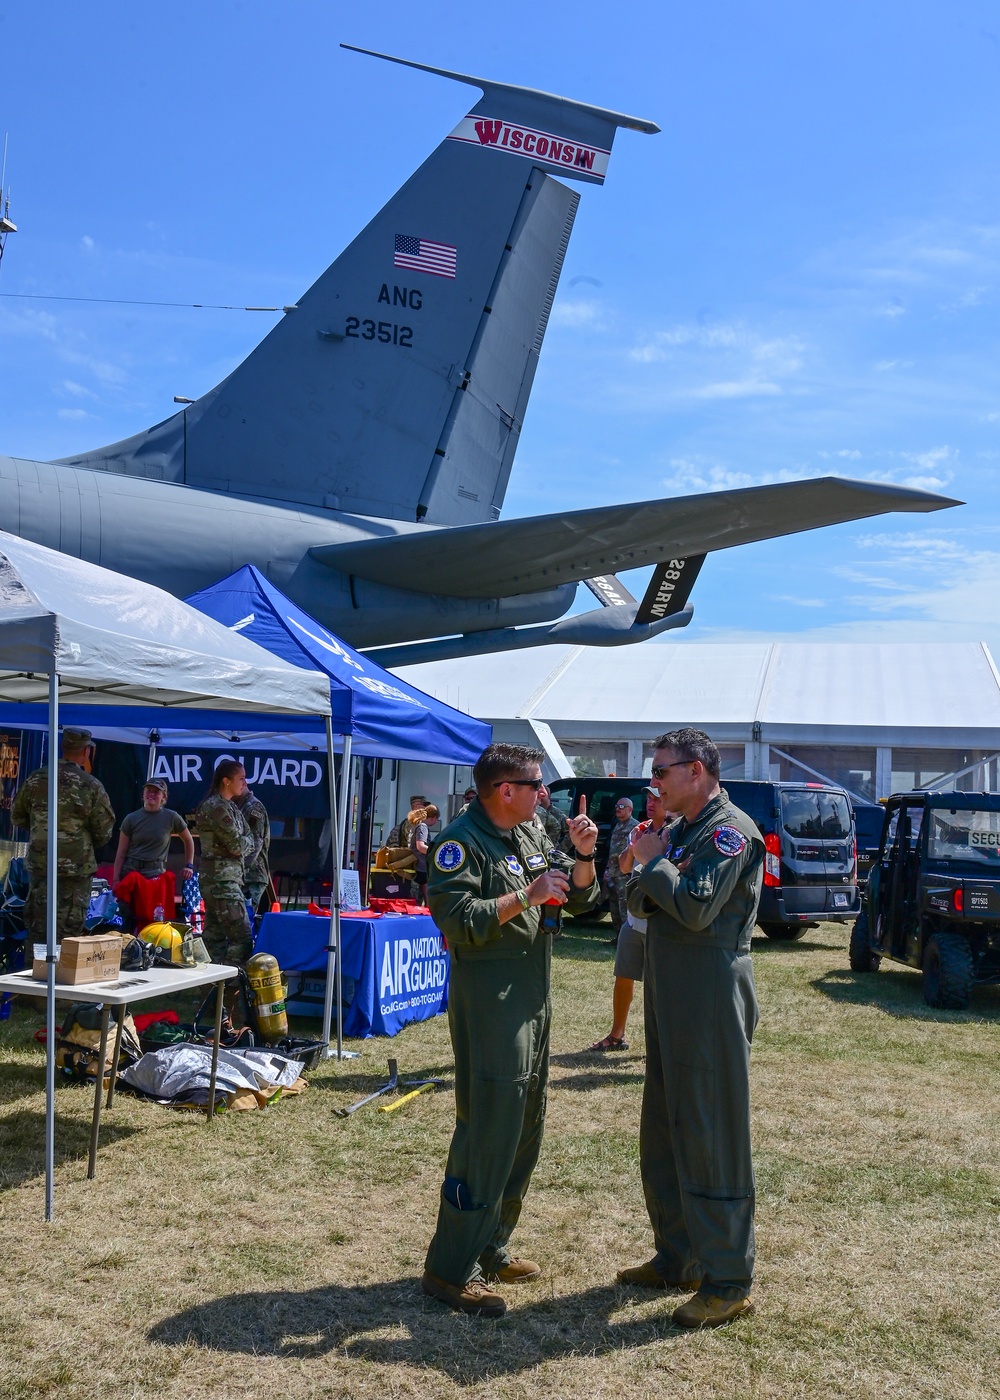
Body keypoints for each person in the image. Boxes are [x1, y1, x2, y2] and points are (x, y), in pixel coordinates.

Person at [422, 742, 600, 1318]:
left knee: (525, 1122)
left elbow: (574, 899)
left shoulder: (526, 833)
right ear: (504, 790)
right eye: (533, 785)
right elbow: (457, 918)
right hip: (491, 996)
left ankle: (491, 1245)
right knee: (489, 1128)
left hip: (532, 993)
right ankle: (451, 1269)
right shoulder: (459, 843)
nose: (542, 794)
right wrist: (527, 894)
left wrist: (581, 859)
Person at [617, 728, 763, 1329]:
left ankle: (727, 1277)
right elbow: (635, 899)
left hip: (708, 995)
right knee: (666, 1127)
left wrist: (654, 867)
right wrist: (652, 869)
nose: (655, 782)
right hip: (671, 991)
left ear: (697, 770)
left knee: (710, 1133)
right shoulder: (680, 831)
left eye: (662, 771)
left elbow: (698, 908)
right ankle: (678, 1255)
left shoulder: (731, 832)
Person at [11, 727, 115, 945]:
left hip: (41, 866)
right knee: (67, 934)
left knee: (38, 929)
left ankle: (34, 973)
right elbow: (104, 832)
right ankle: (60, 976)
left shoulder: (36, 780)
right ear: (86, 751)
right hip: (74, 871)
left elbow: (17, 817)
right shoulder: (90, 785)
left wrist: (43, 832)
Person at [588, 787, 672, 1053]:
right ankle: (617, 1035)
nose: (650, 803)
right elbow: (625, 866)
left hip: (660, 920)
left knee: (661, 986)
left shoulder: (677, 831)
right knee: (623, 975)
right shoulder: (641, 829)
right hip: (635, 919)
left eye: (656, 799)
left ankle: (662, 1045)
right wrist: (636, 846)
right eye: (648, 798)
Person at [194, 760, 255, 967]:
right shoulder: (216, 807)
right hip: (222, 883)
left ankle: (210, 991)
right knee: (242, 936)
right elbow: (238, 845)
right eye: (241, 778)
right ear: (226, 781)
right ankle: (230, 985)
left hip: (225, 880)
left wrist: (245, 841)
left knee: (214, 937)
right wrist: (245, 841)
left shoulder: (230, 807)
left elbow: (249, 837)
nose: (244, 783)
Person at [112, 778, 195, 886]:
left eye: (156, 792)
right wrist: (116, 880)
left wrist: (189, 866)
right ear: (143, 794)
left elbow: (188, 840)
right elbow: (121, 852)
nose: (151, 794)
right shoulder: (131, 819)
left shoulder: (171, 817)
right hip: (131, 872)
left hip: (156, 873)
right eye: (148, 790)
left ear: (163, 796)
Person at [605, 797, 639, 937]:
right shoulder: (617, 825)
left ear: (630, 810)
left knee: (624, 906)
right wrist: (607, 870)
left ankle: (626, 937)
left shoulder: (635, 827)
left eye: (622, 806)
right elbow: (612, 850)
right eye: (617, 806)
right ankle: (617, 935)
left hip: (624, 874)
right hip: (613, 872)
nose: (618, 808)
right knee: (613, 905)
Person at [234, 786, 271, 913]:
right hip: (242, 875)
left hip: (251, 876)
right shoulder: (240, 806)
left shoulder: (253, 808)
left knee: (245, 919)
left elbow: (255, 844)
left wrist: (241, 870)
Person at [406, 803, 440, 906]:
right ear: (434, 818)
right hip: (421, 868)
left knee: (418, 901)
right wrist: (436, 852)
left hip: (417, 867)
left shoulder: (416, 825)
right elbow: (420, 846)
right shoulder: (423, 827)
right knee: (424, 900)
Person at [535, 784, 569, 850]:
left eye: (543, 794)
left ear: (548, 796)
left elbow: (570, 831)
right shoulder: (534, 811)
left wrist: (561, 849)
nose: (540, 796)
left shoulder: (558, 814)